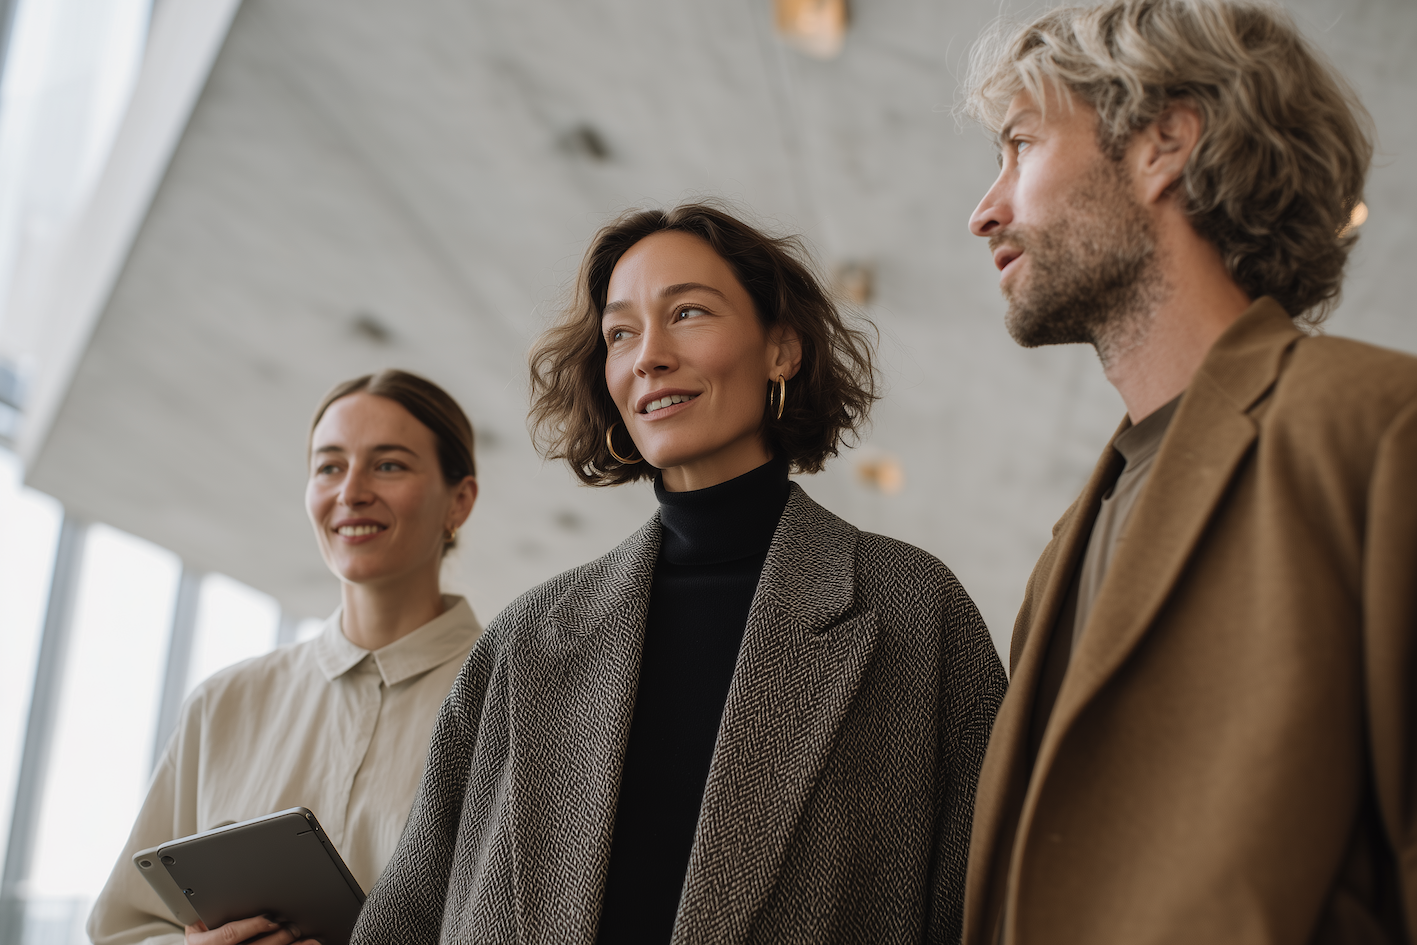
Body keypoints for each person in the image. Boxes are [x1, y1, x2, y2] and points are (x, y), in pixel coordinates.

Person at [350, 202, 1007, 944]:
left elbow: (991, 903)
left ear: (781, 349)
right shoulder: (529, 639)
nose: (648, 356)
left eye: (687, 312)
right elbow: (406, 915)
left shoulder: (909, 609)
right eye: (620, 333)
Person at [957, 1, 1417, 943]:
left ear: (1164, 142)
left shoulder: (1378, 430)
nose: (984, 209)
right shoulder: (1065, 549)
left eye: (1020, 145)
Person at [88, 370, 483, 945]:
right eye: (329, 467)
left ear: (460, 501)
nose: (351, 492)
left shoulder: (516, 696)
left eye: (389, 464)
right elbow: (123, 929)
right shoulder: (225, 703)